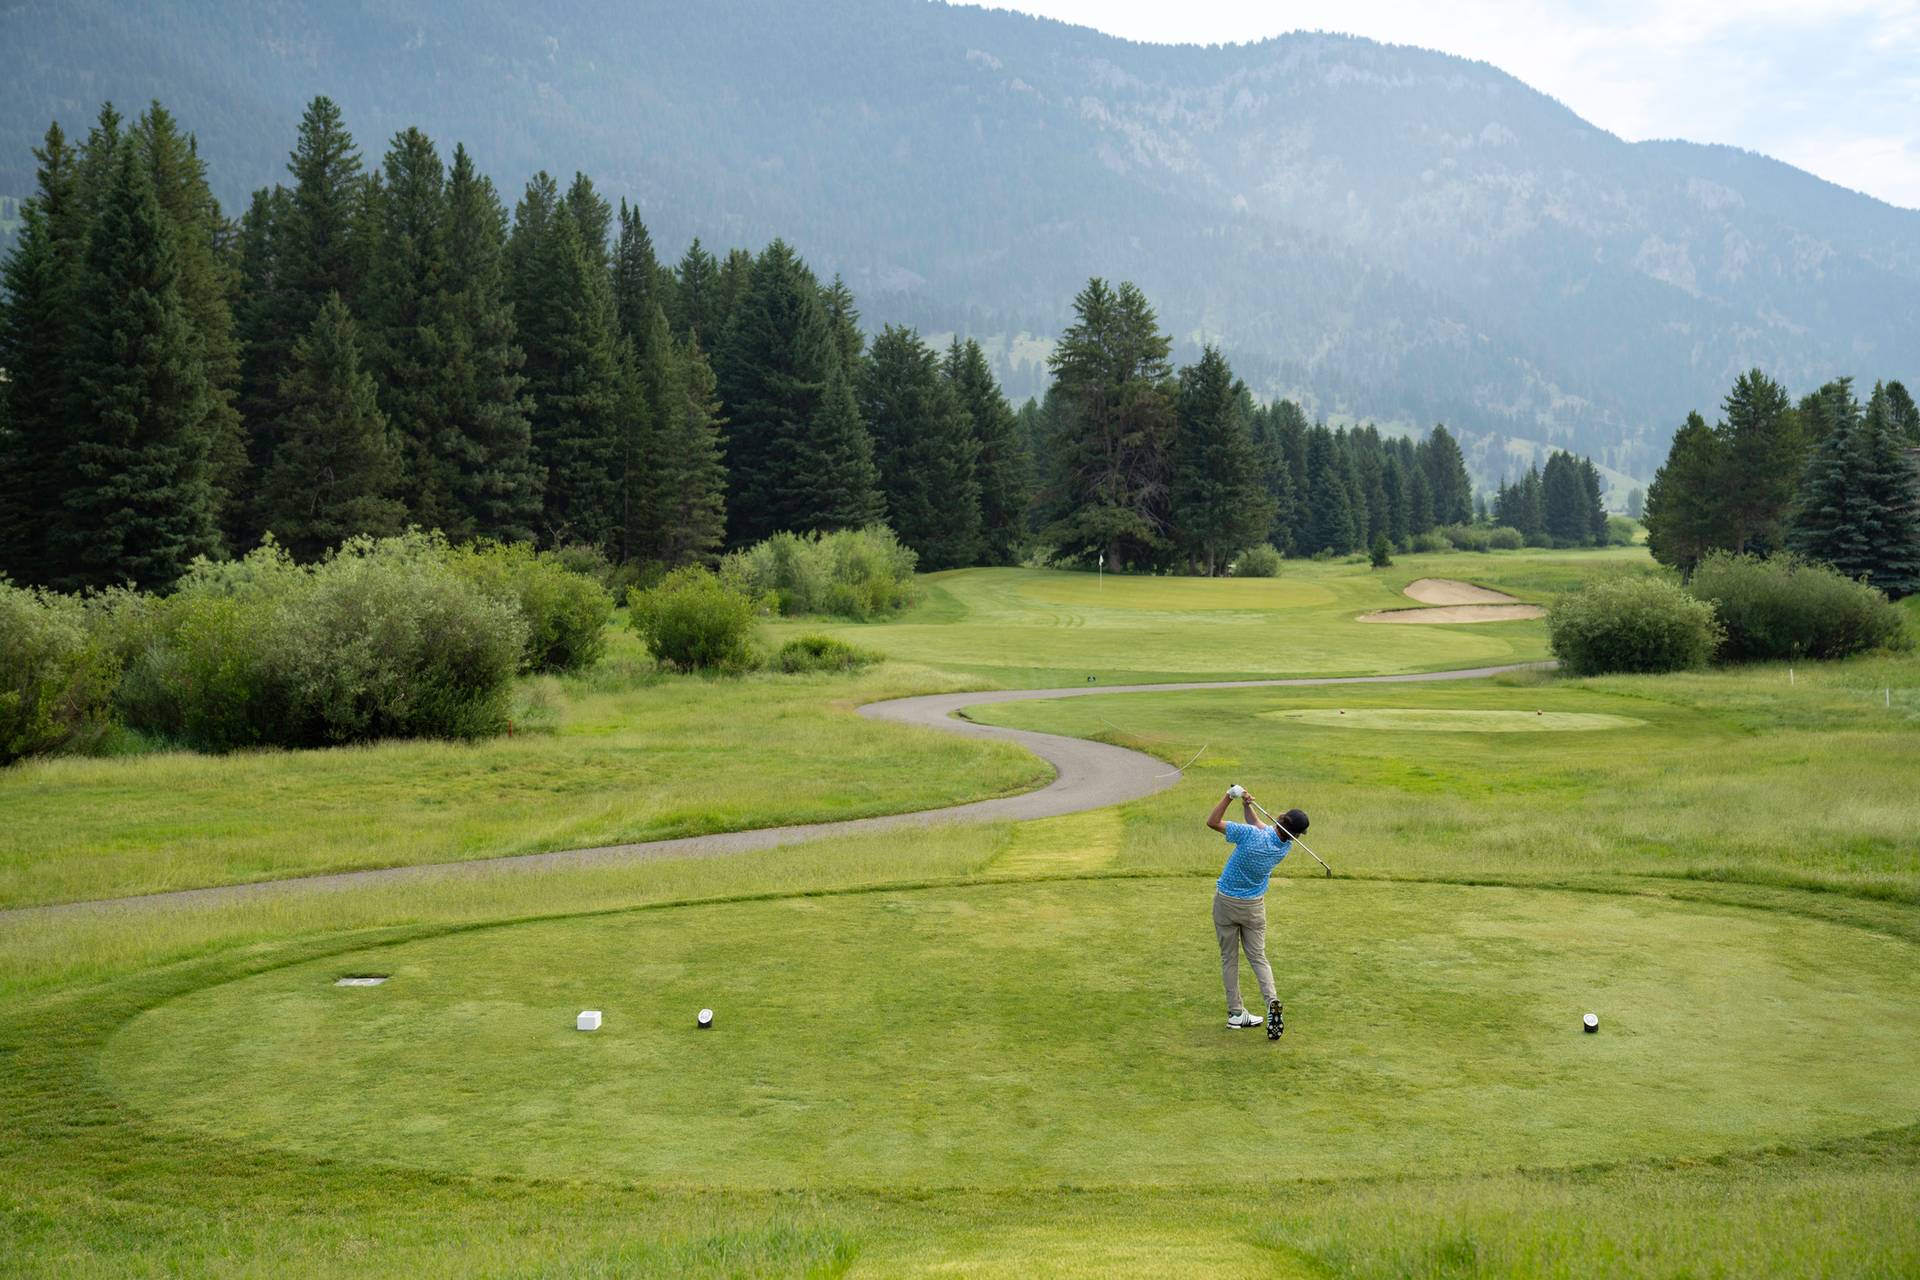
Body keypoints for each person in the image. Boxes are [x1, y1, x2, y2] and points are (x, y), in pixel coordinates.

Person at [1205, 787, 1309, 1038]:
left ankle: (1236, 1013)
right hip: (1253, 907)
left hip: (1226, 902)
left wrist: (1229, 796)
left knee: (1229, 959)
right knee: (1258, 958)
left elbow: (1213, 822)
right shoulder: (1284, 846)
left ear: (1280, 819)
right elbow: (1261, 826)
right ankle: (1272, 1001)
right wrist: (1247, 806)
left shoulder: (1249, 835)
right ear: (1295, 834)